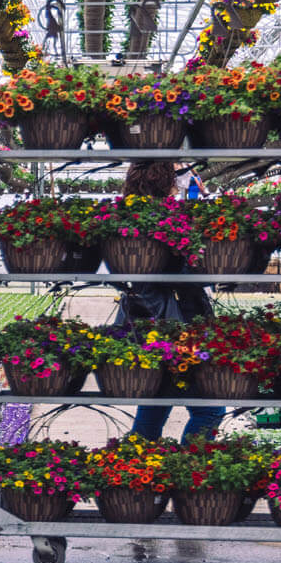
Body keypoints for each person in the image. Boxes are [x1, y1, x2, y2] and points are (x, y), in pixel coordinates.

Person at [117, 161, 223, 442]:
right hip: (172, 323)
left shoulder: (130, 216)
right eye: (179, 169)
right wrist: (197, 214)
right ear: (165, 179)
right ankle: (186, 474)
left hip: (144, 322)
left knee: (154, 405)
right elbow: (189, 273)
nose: (185, 173)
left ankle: (141, 475)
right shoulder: (166, 222)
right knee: (210, 410)